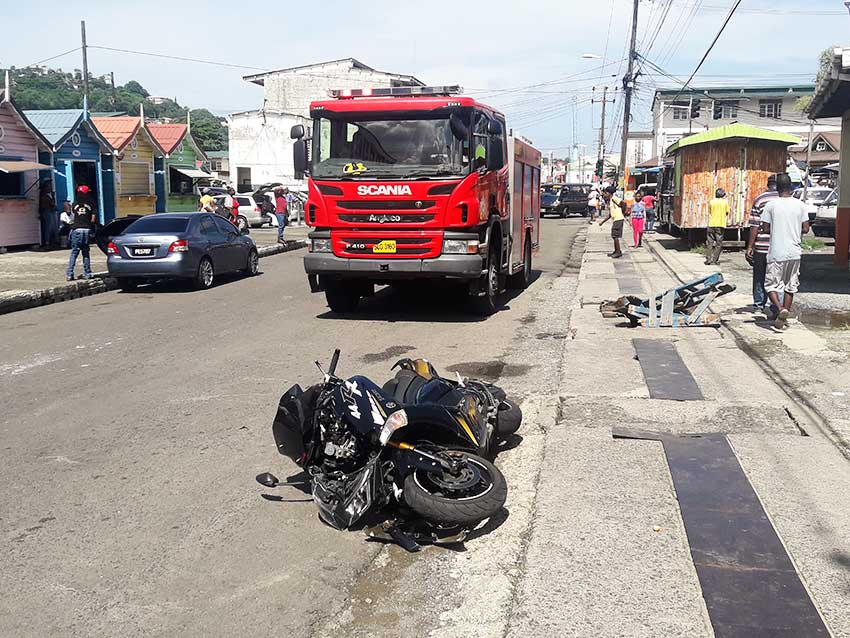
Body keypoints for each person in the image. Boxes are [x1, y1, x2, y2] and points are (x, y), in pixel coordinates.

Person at [760, 173, 810, 330]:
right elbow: (806, 228)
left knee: (770, 285)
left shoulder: (771, 205)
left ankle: (780, 309)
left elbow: (765, 227)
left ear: (777, 188)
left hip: (777, 251)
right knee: (790, 286)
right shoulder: (800, 205)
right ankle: (783, 318)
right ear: (791, 187)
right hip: (794, 252)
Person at [746, 174, 780, 316]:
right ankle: (776, 305)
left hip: (762, 245)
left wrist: (749, 247)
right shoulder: (785, 200)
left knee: (759, 275)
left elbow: (754, 225)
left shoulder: (760, 200)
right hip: (780, 245)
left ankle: (759, 304)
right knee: (777, 278)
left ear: (768, 184)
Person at [66, 186, 95, 281]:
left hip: (76, 229)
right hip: (86, 230)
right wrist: (91, 227)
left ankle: (70, 274)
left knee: (74, 252)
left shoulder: (75, 204)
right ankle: (87, 273)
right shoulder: (91, 203)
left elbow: (72, 214)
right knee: (85, 252)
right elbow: (93, 218)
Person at [598, 185, 627, 258]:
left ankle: (618, 252)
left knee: (615, 236)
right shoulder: (611, 201)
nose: (605, 195)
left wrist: (622, 213)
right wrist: (602, 222)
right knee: (614, 235)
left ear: (609, 193)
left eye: (606, 193)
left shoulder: (614, 198)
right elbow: (610, 214)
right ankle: (616, 251)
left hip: (618, 219)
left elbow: (624, 204)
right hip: (616, 219)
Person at [705, 188, 730, 265]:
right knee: (718, 243)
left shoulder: (711, 202)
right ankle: (715, 260)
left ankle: (708, 259)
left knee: (710, 242)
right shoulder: (725, 202)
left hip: (711, 224)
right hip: (720, 225)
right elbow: (727, 212)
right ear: (722, 195)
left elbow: (710, 212)